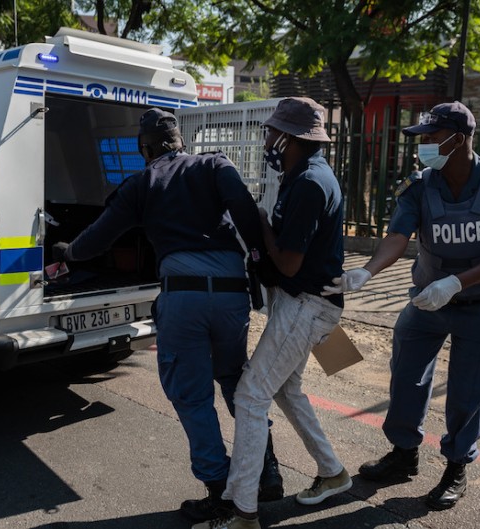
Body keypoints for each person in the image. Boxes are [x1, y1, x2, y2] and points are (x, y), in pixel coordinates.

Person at [57, 108, 283, 522]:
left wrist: (68, 253)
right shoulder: (217, 164)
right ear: (181, 142)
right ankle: (266, 469)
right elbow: (246, 212)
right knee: (237, 383)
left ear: (144, 149)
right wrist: (259, 260)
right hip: (233, 295)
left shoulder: (142, 182)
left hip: (185, 300)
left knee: (191, 394)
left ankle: (220, 490)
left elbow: (99, 237)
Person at [323, 101, 480, 510]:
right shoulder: (421, 184)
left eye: (432, 137)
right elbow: (397, 236)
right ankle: (403, 454)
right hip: (428, 301)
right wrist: (366, 272)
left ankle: (456, 465)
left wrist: (457, 282)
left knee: (468, 391)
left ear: (458, 139)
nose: (424, 145)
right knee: (406, 374)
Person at [197, 97, 350, 529]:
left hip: (307, 305)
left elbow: (288, 264)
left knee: (250, 395)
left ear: (291, 138)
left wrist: (259, 220)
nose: (267, 139)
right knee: (286, 390)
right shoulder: (302, 175)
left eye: (272, 132)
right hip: (302, 303)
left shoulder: (309, 184)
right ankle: (333, 472)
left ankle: (244, 511)